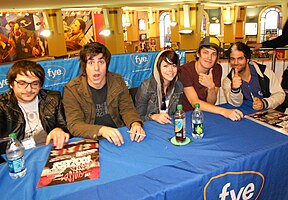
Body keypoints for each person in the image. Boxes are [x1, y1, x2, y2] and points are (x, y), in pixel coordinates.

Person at [63, 42, 145, 146]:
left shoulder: (117, 81)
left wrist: (135, 123)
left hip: (118, 136)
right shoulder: (72, 90)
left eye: (101, 62)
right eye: (91, 63)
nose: (96, 68)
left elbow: (127, 109)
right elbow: (74, 125)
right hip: (90, 140)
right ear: (84, 66)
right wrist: (101, 130)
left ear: (107, 65)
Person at [0, 60, 70, 154]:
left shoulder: (53, 99)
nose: (29, 89)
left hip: (50, 149)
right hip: (19, 155)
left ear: (40, 85)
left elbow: (66, 128)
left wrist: (59, 130)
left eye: (35, 84)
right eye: (22, 83)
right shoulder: (2, 105)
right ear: (12, 84)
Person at [179, 36, 243, 121]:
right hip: (187, 116)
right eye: (206, 52)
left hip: (206, 113)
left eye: (213, 54)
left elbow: (211, 102)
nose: (209, 57)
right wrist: (224, 111)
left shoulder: (216, 69)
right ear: (198, 54)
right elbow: (194, 102)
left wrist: (211, 87)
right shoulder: (184, 70)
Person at [223, 42, 285, 111]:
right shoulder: (228, 81)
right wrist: (235, 89)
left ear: (247, 60)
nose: (236, 63)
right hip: (246, 115)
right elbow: (235, 104)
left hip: (270, 112)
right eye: (232, 59)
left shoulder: (264, 72)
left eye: (240, 58)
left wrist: (264, 103)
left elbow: (280, 95)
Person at [135, 50, 183, 124]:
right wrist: (153, 117)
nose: (170, 70)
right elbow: (137, 117)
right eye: (165, 66)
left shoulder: (178, 86)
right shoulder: (146, 87)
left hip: (169, 126)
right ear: (158, 68)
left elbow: (178, 113)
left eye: (174, 65)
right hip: (151, 127)